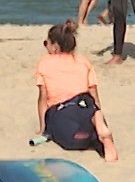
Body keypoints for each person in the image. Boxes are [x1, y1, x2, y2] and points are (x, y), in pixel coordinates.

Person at [33, 21, 118, 162]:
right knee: (91, 130)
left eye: (45, 43)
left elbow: (43, 99)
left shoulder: (45, 63)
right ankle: (99, 129)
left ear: (54, 47)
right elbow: (94, 96)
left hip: (63, 111)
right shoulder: (83, 61)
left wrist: (43, 129)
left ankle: (94, 130)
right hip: (86, 107)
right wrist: (96, 111)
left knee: (70, 140)